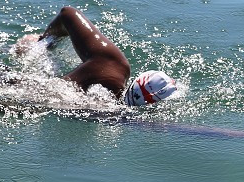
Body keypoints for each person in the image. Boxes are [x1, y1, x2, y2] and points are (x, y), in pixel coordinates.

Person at [14, 6, 177, 107]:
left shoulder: (114, 64)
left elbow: (68, 13)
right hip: (13, 95)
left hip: (9, 82)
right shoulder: (104, 111)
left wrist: (43, 41)